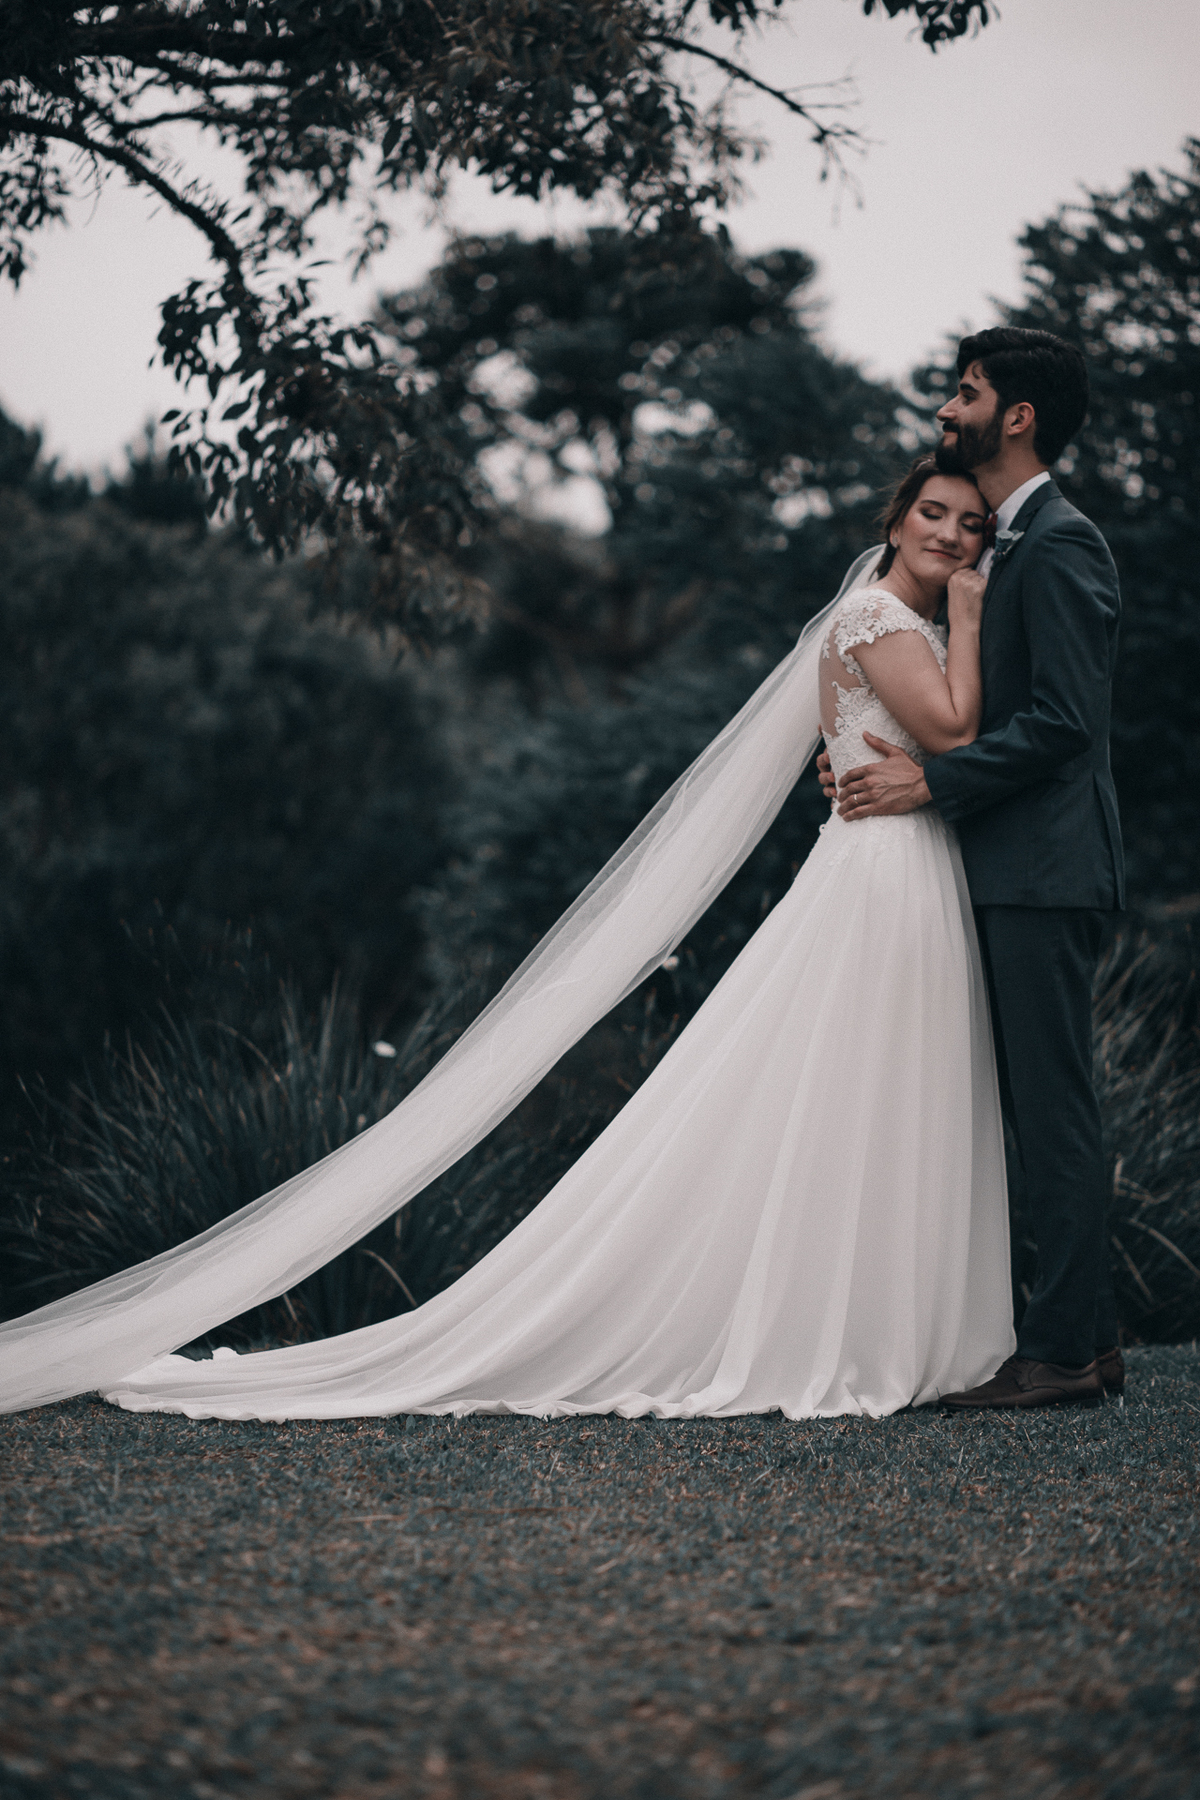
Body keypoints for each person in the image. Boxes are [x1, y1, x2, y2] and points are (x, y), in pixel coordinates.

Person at [0, 459, 1016, 1422]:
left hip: (903, 863)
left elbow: (928, 743)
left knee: (880, 1087)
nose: (951, 534)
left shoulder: (895, 622)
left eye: (972, 525)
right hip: (881, 873)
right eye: (933, 515)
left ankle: (883, 1318)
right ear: (893, 522)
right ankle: (840, 1328)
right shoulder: (881, 613)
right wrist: (969, 615)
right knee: (854, 1082)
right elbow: (959, 734)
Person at [819, 327, 1123, 1411]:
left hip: (1042, 867)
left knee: (1051, 1111)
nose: (950, 408)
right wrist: (858, 750)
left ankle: (1059, 1357)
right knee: (1027, 1105)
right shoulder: (1006, 542)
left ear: (1017, 417)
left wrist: (927, 787)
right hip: (993, 866)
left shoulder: (1063, 543)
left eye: (967, 392)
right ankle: (1085, 1333)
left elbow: (1063, 727)